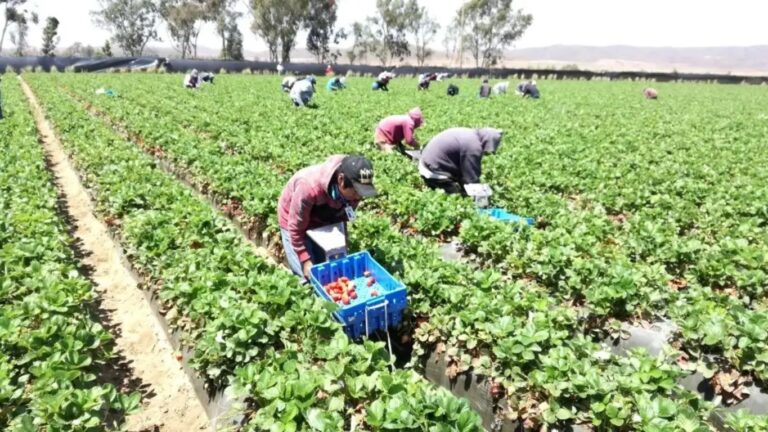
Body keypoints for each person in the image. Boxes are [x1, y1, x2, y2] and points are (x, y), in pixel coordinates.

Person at [278, 155, 378, 278]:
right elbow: (295, 228)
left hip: (323, 217)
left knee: (326, 268)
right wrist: (305, 260)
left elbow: (343, 217)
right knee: (307, 276)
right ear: (341, 180)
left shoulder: (354, 193)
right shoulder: (308, 187)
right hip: (293, 220)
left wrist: (342, 243)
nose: (358, 197)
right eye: (356, 191)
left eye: (362, 192)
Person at [419, 128, 503, 194]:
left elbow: (464, 169)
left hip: (425, 162)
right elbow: (472, 176)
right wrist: (478, 194)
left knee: (462, 184)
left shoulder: (470, 135)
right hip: (433, 171)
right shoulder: (473, 147)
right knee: (456, 196)